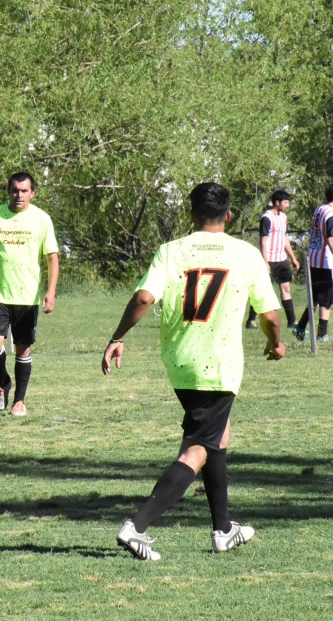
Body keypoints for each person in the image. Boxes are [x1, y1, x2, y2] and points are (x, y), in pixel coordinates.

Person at [102, 182, 284, 561]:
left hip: (181, 360)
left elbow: (144, 298)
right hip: (218, 364)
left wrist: (118, 336)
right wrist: (275, 342)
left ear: (190, 213)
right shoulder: (246, 254)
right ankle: (137, 528)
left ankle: (223, 529)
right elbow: (269, 315)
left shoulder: (172, 251)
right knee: (198, 448)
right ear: (229, 215)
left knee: (217, 436)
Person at [0, 171, 59, 416]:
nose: (18, 195)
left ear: (32, 193)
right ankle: (4, 381)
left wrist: (50, 292)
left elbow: (52, 258)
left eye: (24, 191)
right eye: (14, 190)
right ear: (8, 191)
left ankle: (19, 401)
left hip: (28, 295)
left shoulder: (42, 219)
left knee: (23, 349)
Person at [291, 183, 333, 342]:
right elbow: (330, 239)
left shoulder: (319, 210)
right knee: (326, 299)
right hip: (327, 261)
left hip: (314, 257)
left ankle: (300, 327)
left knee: (315, 297)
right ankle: (322, 334)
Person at [245, 189, 299, 330]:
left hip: (281, 259)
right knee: (261, 290)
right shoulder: (267, 217)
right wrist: (265, 262)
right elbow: (263, 240)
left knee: (286, 288)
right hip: (269, 260)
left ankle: (292, 322)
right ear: (277, 202)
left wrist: (292, 257)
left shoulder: (283, 217)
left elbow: (285, 238)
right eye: (286, 202)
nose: (287, 205)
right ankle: (251, 321)